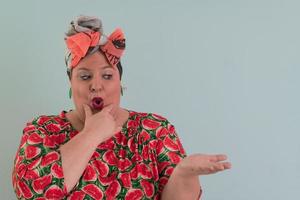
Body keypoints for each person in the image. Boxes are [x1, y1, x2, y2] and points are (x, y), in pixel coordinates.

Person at [12, 15, 231, 200]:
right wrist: (92, 133)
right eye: (85, 76)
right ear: (71, 83)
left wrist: (184, 173)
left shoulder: (155, 131)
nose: (96, 85)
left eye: (107, 76)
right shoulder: (42, 130)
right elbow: (31, 192)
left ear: (120, 84)